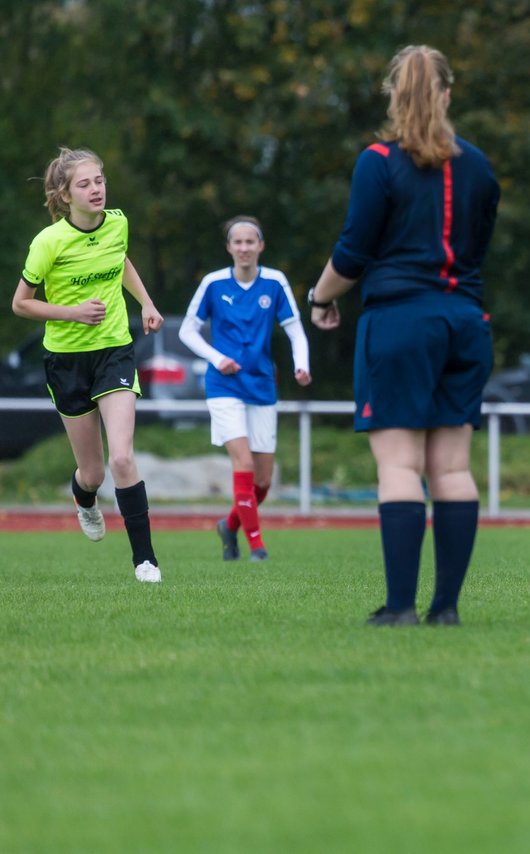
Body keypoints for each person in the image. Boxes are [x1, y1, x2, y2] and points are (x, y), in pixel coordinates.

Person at [308, 45, 499, 627]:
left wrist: (319, 298)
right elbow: (479, 246)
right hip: (465, 323)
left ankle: (399, 608)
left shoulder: (377, 161)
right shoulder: (478, 167)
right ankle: (445, 610)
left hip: (399, 324)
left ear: (394, 94)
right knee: (453, 469)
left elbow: (353, 252)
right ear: (446, 94)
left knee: (399, 467)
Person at [11, 147, 164, 583]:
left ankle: (145, 561)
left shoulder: (118, 222)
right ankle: (84, 497)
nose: (96, 189)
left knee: (122, 459)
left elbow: (121, 261)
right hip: (66, 360)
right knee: (94, 472)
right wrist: (72, 311)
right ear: (64, 194)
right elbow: (21, 304)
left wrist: (147, 303)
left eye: (99, 180)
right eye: (85, 184)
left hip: (114, 349)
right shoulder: (48, 242)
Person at [179, 216, 312, 562]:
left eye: (250, 241)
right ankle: (257, 546)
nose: (244, 248)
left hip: (262, 385)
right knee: (243, 462)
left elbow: (296, 330)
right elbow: (187, 332)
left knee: (264, 480)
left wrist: (302, 365)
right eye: (237, 242)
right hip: (223, 385)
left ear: (261, 246)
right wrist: (217, 357)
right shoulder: (213, 283)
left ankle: (230, 524)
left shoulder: (275, 282)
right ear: (228, 248)